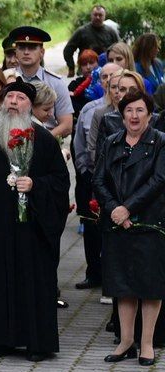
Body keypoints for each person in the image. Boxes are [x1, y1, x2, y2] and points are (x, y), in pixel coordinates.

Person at [0, 79, 70, 361]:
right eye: (9, 97)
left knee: (32, 281)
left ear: (29, 106)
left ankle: (38, 343)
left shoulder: (44, 140)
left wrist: (35, 185)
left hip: (31, 229)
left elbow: (60, 182)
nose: (13, 102)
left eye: (20, 98)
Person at [94, 87, 165, 366]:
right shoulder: (112, 141)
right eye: (129, 110)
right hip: (116, 224)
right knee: (122, 285)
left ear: (150, 114)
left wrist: (128, 208)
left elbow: (159, 180)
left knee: (149, 285)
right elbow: (98, 180)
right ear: (121, 114)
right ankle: (126, 341)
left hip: (149, 222)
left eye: (140, 110)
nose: (134, 116)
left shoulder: (160, 141)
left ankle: (146, 343)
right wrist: (114, 209)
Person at [74, 65, 128, 292]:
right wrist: (86, 171)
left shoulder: (138, 113)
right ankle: (94, 271)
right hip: (96, 175)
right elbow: (86, 145)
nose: (116, 90)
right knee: (92, 227)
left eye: (120, 86)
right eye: (109, 83)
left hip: (125, 182)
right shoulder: (95, 112)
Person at [7, 25, 74, 139]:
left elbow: (67, 125)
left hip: (46, 143)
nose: (26, 52)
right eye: (22, 47)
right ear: (16, 52)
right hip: (8, 140)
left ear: (42, 52)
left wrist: (40, 141)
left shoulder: (56, 83)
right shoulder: (6, 79)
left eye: (32, 47)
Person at [63, 5, 120, 75]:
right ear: (91, 15)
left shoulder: (111, 32)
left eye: (100, 15)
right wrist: (71, 67)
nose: (97, 17)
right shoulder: (82, 31)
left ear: (105, 16)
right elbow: (68, 50)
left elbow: (119, 50)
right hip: (85, 72)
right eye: (95, 15)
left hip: (106, 71)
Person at [133, 33, 165, 101]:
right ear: (148, 48)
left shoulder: (158, 64)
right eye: (156, 47)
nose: (158, 50)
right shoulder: (136, 68)